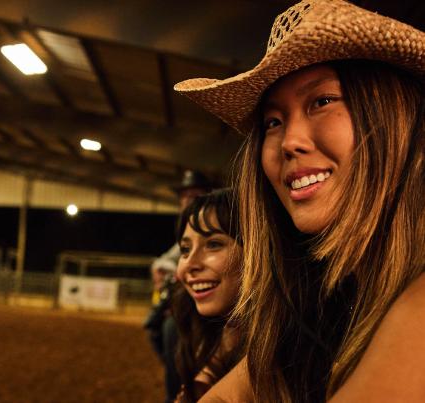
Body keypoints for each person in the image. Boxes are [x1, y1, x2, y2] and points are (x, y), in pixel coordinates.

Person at [174, 0, 425, 401]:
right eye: (273, 122)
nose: (289, 141)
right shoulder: (316, 301)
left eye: (322, 101)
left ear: (399, 116)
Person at [144, 169, 213, 403]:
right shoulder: (187, 226)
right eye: (184, 196)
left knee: (172, 327)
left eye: (193, 195)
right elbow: (166, 259)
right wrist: (163, 267)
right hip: (189, 293)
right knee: (157, 326)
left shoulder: (211, 221)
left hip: (204, 294)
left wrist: (171, 269)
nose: (186, 200)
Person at [173, 189, 244, 403]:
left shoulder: (285, 352)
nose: (190, 264)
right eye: (185, 250)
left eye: (213, 244)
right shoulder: (204, 335)